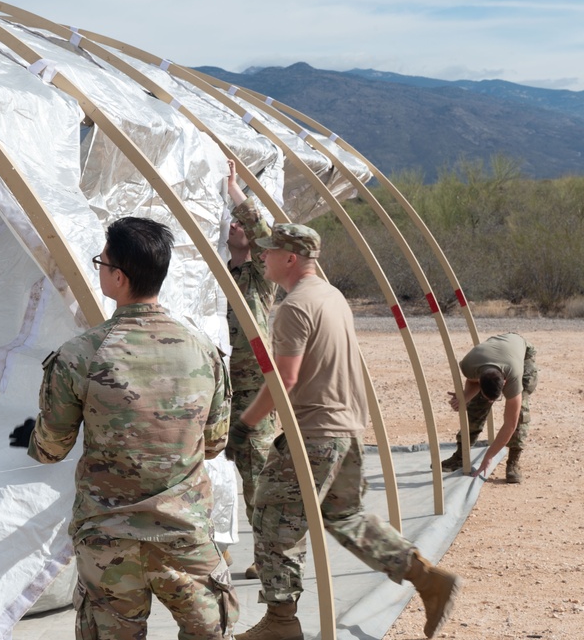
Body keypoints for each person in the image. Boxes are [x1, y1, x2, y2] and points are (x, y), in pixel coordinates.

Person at [227, 224, 460, 640]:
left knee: (273, 520)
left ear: (291, 258)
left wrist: (245, 424)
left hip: (314, 434)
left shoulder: (294, 307)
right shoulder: (331, 296)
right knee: (345, 516)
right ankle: (426, 578)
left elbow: (286, 376)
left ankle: (281, 623)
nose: (263, 257)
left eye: (269, 251)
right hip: (347, 431)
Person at [8, 216, 237, 640]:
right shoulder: (203, 352)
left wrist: (31, 436)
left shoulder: (80, 355)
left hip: (108, 540)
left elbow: (51, 448)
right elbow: (214, 443)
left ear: (117, 276)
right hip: (183, 535)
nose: (98, 269)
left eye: (101, 261)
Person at [221, 158, 278, 579]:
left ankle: (265, 556)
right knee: (210, 472)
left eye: (238, 223)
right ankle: (217, 551)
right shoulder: (218, 274)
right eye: (230, 223)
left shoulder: (260, 275)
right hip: (219, 390)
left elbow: (264, 235)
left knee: (256, 476)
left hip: (254, 390)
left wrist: (235, 190)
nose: (234, 226)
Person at [443, 333, 539, 483]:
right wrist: (465, 397)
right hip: (489, 357)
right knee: (476, 407)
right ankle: (461, 456)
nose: (491, 402)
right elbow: (472, 381)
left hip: (522, 353)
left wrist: (489, 457)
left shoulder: (513, 376)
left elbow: (510, 424)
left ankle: (513, 462)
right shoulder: (469, 365)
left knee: (520, 414)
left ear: (505, 383)